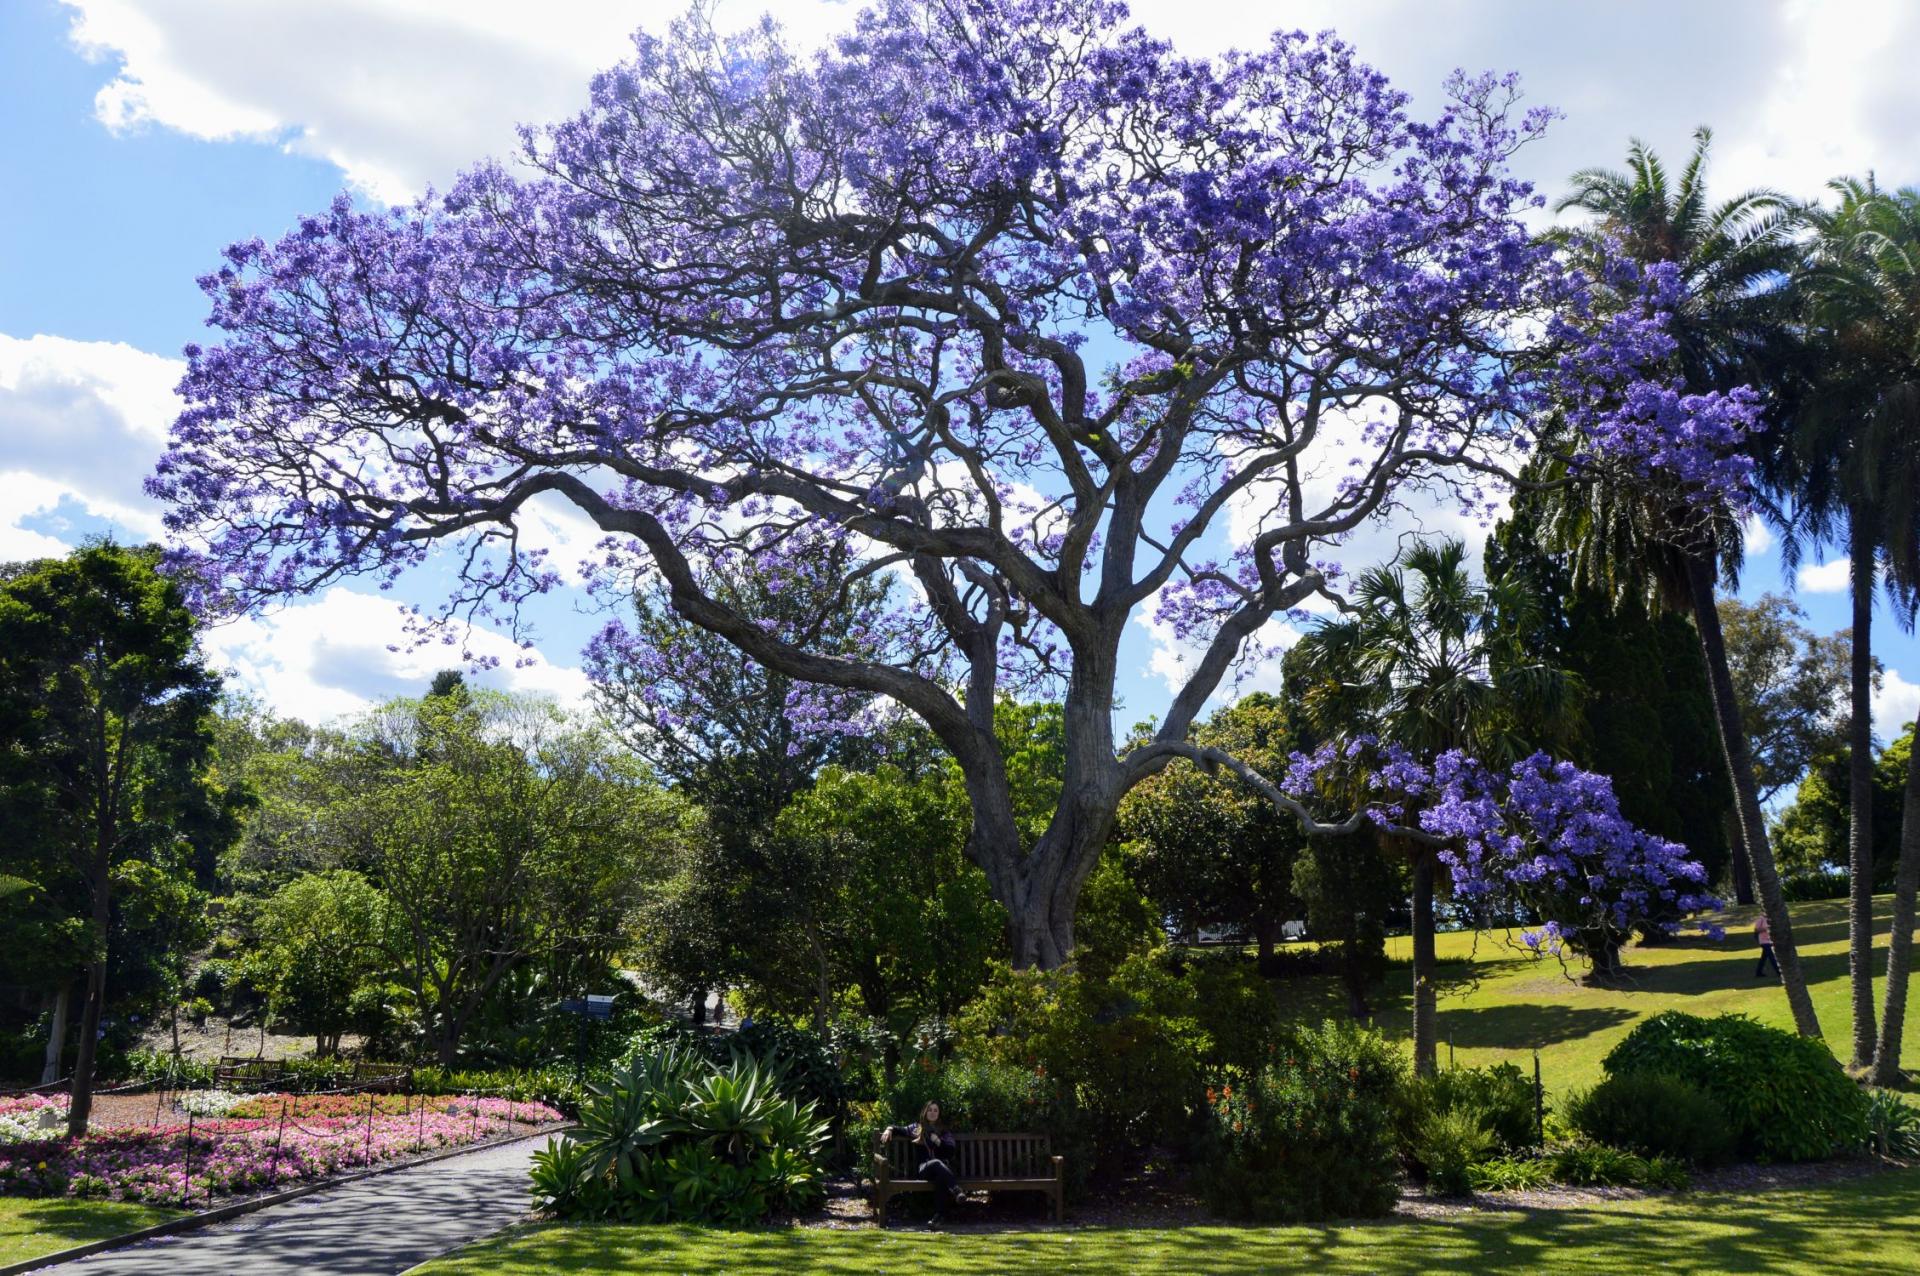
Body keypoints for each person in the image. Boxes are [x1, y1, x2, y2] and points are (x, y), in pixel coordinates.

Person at [883, 1101, 960, 1218]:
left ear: (939, 1113)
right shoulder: (917, 1128)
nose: (933, 1113)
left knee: (941, 1177)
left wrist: (938, 1141)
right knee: (936, 1163)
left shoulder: (944, 1131)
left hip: (942, 1170)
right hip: (924, 1169)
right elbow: (899, 1129)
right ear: (925, 1112)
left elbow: (951, 1150)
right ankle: (956, 1190)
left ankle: (939, 1217)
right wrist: (889, 1129)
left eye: (935, 1110)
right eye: (930, 1110)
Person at [1754, 910, 1779, 978]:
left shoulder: (1769, 919)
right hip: (1763, 941)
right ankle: (1778, 972)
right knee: (1771, 956)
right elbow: (1756, 930)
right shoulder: (1761, 919)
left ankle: (1758, 972)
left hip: (1769, 940)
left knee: (1764, 958)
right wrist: (1766, 928)